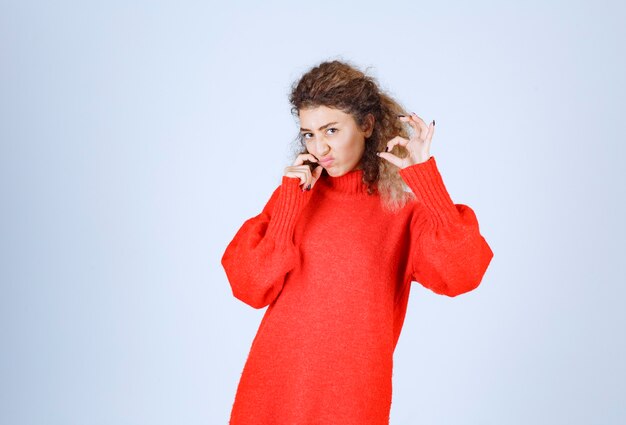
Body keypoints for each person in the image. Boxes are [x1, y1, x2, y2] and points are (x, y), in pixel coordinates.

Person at [220, 59, 494, 425]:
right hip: (273, 393)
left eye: (331, 130)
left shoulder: (402, 208)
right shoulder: (296, 196)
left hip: (353, 401)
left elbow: (463, 272)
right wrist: (289, 204)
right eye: (309, 134)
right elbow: (249, 287)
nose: (319, 148)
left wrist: (424, 177)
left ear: (366, 125)